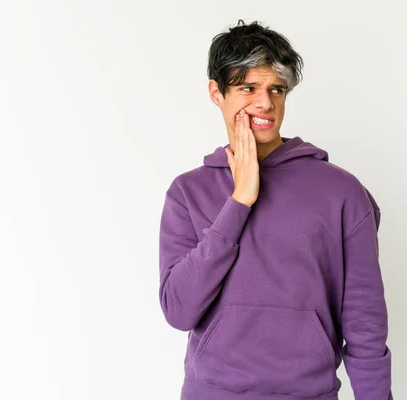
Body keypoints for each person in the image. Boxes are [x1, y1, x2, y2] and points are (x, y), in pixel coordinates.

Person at [158, 19, 394, 400]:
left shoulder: (341, 192)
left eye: (276, 89)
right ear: (216, 93)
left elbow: (365, 323)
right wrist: (240, 201)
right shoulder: (188, 192)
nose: (265, 102)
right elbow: (179, 310)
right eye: (248, 87)